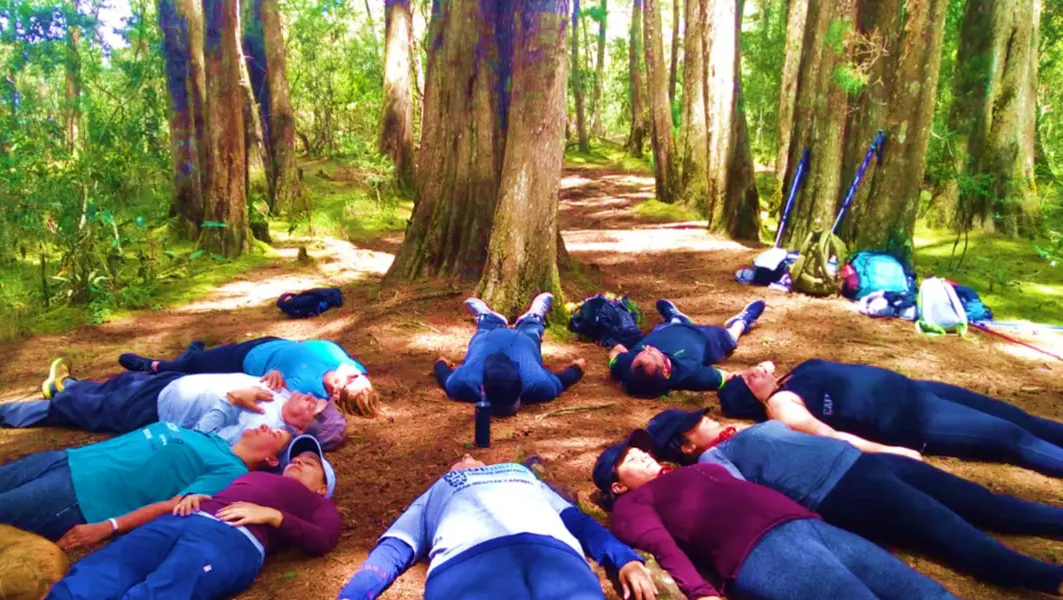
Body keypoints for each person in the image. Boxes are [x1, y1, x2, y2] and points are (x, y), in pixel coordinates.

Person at [641, 408, 1063, 595]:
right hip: (842, 490)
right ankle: (1047, 577)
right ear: (683, 444)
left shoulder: (739, 433)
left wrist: (884, 450)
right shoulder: (714, 461)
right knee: (949, 530)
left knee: (980, 501)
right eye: (694, 422)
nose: (706, 417)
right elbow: (745, 501)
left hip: (864, 463)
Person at [593, 432, 958, 600]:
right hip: (759, 552)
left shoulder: (692, 468)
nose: (642, 455)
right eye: (629, 460)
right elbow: (660, 544)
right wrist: (702, 594)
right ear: (618, 486)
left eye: (640, 451)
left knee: (921, 590)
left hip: (809, 526)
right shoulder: (632, 505)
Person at [0, 421, 292, 557]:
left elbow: (173, 505)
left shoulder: (229, 469)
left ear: (272, 458)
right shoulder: (213, 436)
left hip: (79, 498)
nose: (265, 423)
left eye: (275, 432)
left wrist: (106, 526)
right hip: (65, 461)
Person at [47, 434, 340, 600]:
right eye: (296, 458)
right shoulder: (254, 476)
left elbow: (323, 538)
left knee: (167, 588)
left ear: (322, 487)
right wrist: (196, 496)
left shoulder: (318, 504)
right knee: (104, 569)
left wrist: (273, 516)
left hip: (234, 537)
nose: (298, 461)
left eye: (310, 463)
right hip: (183, 518)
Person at [338, 455, 658, 600]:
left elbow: (578, 523)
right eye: (459, 458)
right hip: (468, 563)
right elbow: (394, 550)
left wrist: (625, 559)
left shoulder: (523, 474)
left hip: (555, 555)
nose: (466, 456)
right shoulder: (441, 487)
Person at [716, 358, 1063, 477]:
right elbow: (834, 439)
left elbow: (766, 367)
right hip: (920, 421)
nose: (754, 371)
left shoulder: (788, 377)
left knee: (1019, 418)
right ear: (753, 398)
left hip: (919, 391)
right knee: (1013, 438)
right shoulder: (784, 405)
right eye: (749, 379)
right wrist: (893, 452)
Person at [0, 360, 345, 449]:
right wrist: (271, 377)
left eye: (314, 406)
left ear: (305, 428)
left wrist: (232, 397)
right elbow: (280, 378)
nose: (308, 396)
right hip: (169, 383)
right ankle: (69, 383)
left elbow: (199, 441)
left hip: (153, 411)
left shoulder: (264, 429)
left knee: (71, 412)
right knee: (111, 385)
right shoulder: (288, 399)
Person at [118, 337, 378, 416]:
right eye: (363, 375)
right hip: (270, 342)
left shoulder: (306, 391)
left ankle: (151, 367)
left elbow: (277, 402)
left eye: (355, 379)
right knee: (197, 359)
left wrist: (272, 375)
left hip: (244, 360)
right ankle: (192, 353)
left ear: (335, 392)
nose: (358, 372)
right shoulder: (348, 364)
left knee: (191, 367)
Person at [433, 293, 585, 416]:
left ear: (483, 389)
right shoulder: (537, 385)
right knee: (530, 334)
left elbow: (442, 372)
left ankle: (490, 318)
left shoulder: (463, 383)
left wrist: (578, 366)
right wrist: (578, 368)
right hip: (510, 340)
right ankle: (532, 318)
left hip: (498, 339)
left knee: (492, 332)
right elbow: (564, 379)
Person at [608, 298, 764, 398]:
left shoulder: (628, 368)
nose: (648, 348)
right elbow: (728, 377)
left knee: (672, 323)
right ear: (665, 371)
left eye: (643, 352)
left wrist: (617, 348)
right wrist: (760, 372)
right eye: (653, 355)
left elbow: (616, 352)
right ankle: (742, 322)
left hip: (667, 329)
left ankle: (677, 318)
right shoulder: (691, 374)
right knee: (730, 338)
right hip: (706, 339)